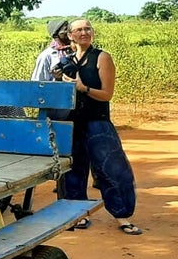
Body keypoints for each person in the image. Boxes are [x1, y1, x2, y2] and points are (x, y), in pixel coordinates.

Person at [58, 18, 141, 235]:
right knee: (73, 171)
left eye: (87, 28)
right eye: (79, 30)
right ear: (70, 35)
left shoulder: (102, 57)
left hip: (97, 121)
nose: (84, 32)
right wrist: (59, 81)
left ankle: (122, 216)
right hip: (72, 122)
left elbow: (106, 94)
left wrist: (83, 88)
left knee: (111, 169)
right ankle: (79, 214)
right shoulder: (67, 61)